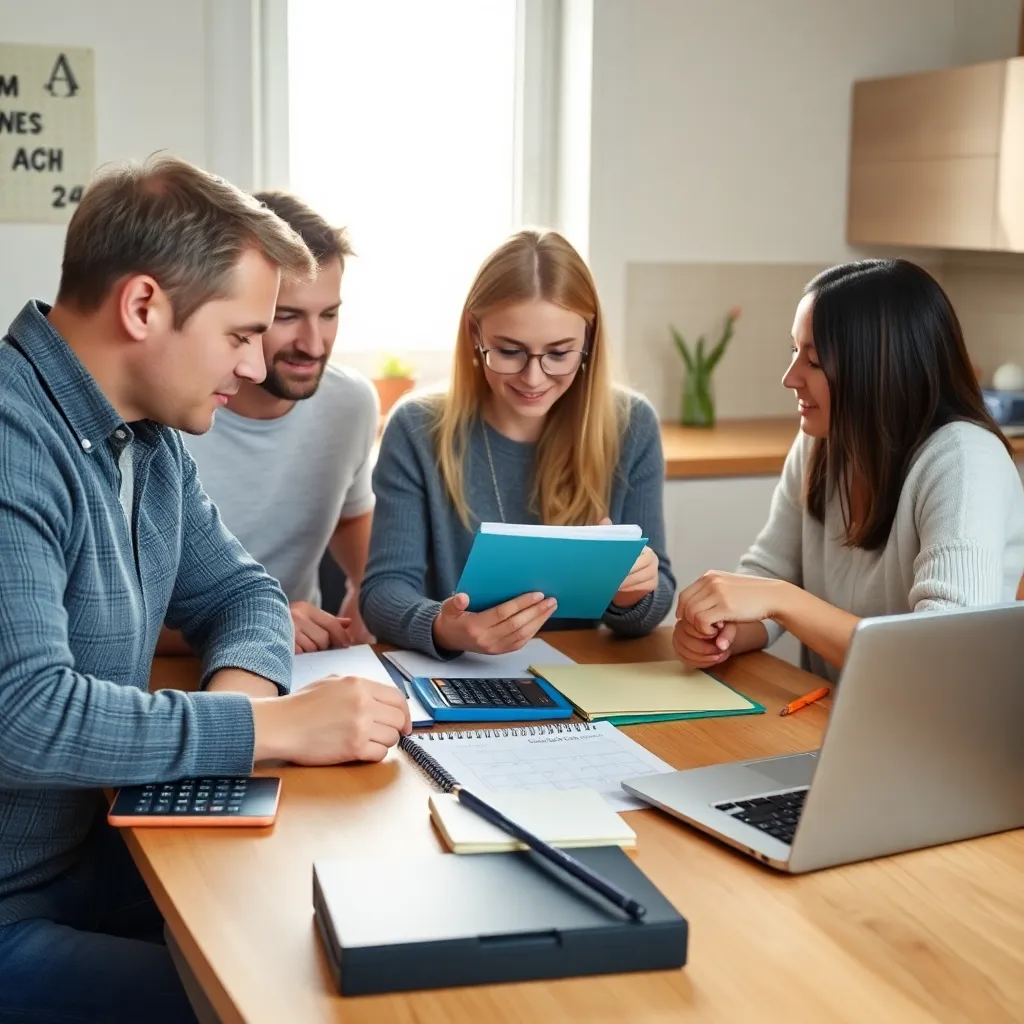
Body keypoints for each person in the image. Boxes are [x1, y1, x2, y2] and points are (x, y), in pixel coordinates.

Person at [0, 156, 411, 1023]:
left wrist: (241, 723)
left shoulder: (144, 438)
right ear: (145, 307)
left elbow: (245, 595)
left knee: (348, 950)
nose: (259, 363)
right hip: (14, 906)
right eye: (241, 334)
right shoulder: (12, 439)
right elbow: (26, 716)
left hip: (94, 854)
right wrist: (267, 727)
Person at [673, 258, 1024, 682]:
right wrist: (723, 631)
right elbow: (770, 572)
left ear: (881, 369)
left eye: (814, 361)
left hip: (936, 741)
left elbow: (941, 661)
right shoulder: (820, 443)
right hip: (836, 720)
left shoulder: (966, 463)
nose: (790, 378)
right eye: (794, 351)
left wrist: (782, 600)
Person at [360, 228, 676, 657]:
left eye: (559, 353)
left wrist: (630, 592)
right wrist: (446, 628)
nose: (533, 377)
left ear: (589, 340)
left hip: (585, 675)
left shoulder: (631, 425)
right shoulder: (418, 427)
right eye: (509, 351)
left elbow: (653, 604)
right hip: (462, 674)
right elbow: (383, 592)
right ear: (475, 334)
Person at [165, 191, 378, 655]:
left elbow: (350, 516)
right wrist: (258, 624)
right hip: (190, 668)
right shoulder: (169, 416)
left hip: (309, 664)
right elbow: (119, 619)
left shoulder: (352, 404)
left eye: (330, 314)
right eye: (286, 317)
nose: (314, 344)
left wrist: (367, 591)